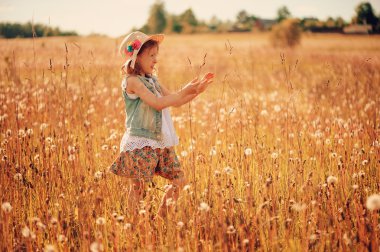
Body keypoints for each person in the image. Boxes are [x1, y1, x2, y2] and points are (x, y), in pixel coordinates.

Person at [108, 31, 214, 219]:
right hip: (141, 142)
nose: (156, 60)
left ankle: (160, 219)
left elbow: (175, 100)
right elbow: (158, 103)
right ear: (136, 57)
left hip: (161, 142)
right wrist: (185, 90)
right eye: (151, 55)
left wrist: (196, 91)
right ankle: (133, 226)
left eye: (156, 55)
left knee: (179, 180)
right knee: (138, 188)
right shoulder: (132, 82)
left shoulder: (153, 80)